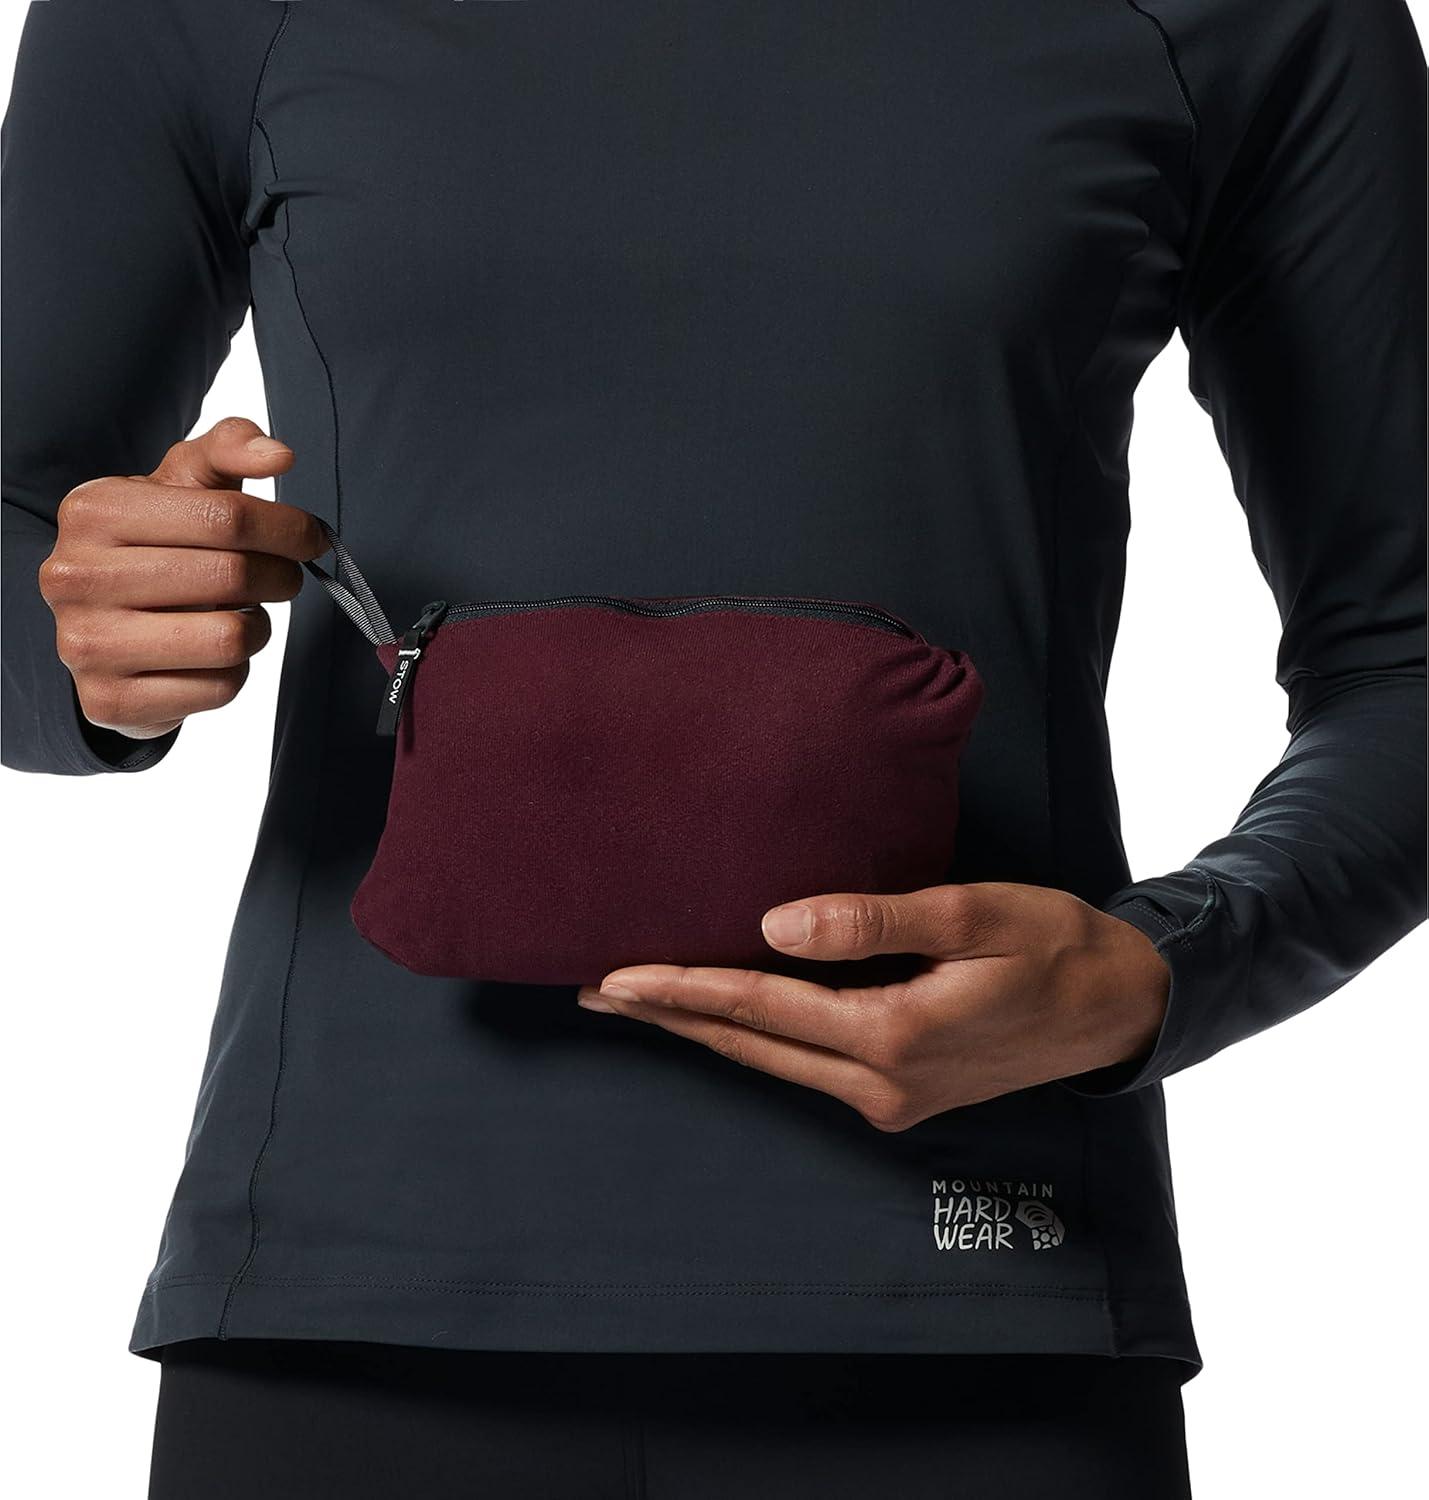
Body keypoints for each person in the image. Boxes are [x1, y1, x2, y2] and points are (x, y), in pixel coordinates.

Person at [3, 1, 1423, 1496]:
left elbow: (1401, 652)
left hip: (978, 1303)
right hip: (344, 1301)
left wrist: (1171, 967)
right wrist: (91, 643)